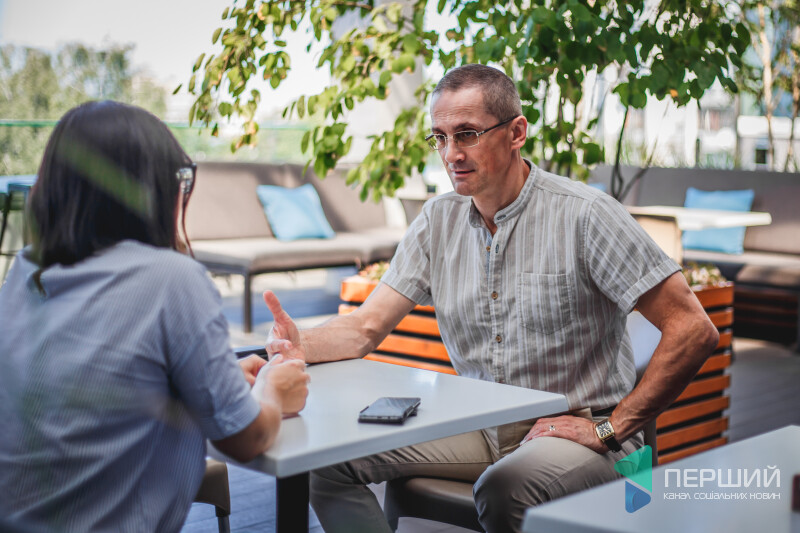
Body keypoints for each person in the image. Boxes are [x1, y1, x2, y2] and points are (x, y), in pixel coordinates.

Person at [263, 64, 719, 533]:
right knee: (324, 462)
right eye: (440, 138)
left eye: (467, 134)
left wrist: (610, 429)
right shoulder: (437, 221)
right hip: (482, 427)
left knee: (506, 487)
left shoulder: (586, 215)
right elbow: (364, 327)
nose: (451, 154)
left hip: (583, 431)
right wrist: (300, 344)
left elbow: (693, 329)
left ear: (516, 132)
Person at [0, 101, 310, 532]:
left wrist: (207, 379)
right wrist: (274, 389)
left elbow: (89, 382)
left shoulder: (27, 267)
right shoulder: (172, 279)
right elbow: (246, 438)